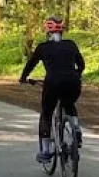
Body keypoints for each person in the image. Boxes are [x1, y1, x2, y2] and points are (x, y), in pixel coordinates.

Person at [19, 15, 84, 162]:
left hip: (53, 82)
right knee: (69, 104)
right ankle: (76, 129)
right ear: (63, 30)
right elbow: (81, 64)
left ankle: (46, 151)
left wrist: (23, 78)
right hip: (73, 81)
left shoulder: (43, 47)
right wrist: (76, 75)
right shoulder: (71, 45)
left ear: (47, 31)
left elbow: (31, 64)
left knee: (47, 113)